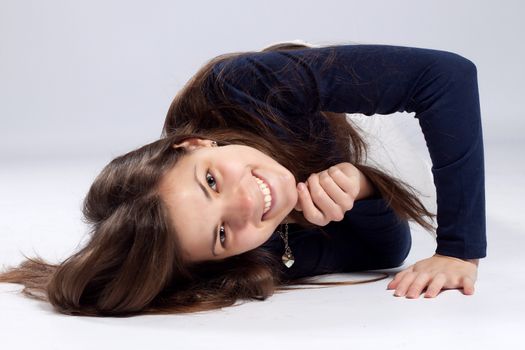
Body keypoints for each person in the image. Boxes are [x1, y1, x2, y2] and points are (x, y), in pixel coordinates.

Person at [0, 40, 485, 317]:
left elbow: (445, 76)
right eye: (220, 232)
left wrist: (459, 250)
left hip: (341, 106)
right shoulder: (250, 254)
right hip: (401, 177)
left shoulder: (244, 87)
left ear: (191, 144)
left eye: (210, 181)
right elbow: (382, 252)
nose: (248, 205)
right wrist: (362, 188)